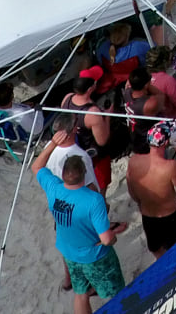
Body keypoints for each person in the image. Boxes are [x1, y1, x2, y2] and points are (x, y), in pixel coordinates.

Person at [35, 130, 124, 314]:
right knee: (116, 293)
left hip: (69, 253)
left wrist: (52, 143)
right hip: (95, 256)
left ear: (63, 174)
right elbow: (106, 240)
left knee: (80, 293)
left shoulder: (54, 188)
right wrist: (114, 234)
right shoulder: (93, 200)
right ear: (84, 174)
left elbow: (36, 166)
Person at [126, 122, 176, 256]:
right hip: (170, 216)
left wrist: (140, 203)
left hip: (148, 216)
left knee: (157, 251)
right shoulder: (170, 166)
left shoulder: (134, 161)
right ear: (166, 142)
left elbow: (131, 188)